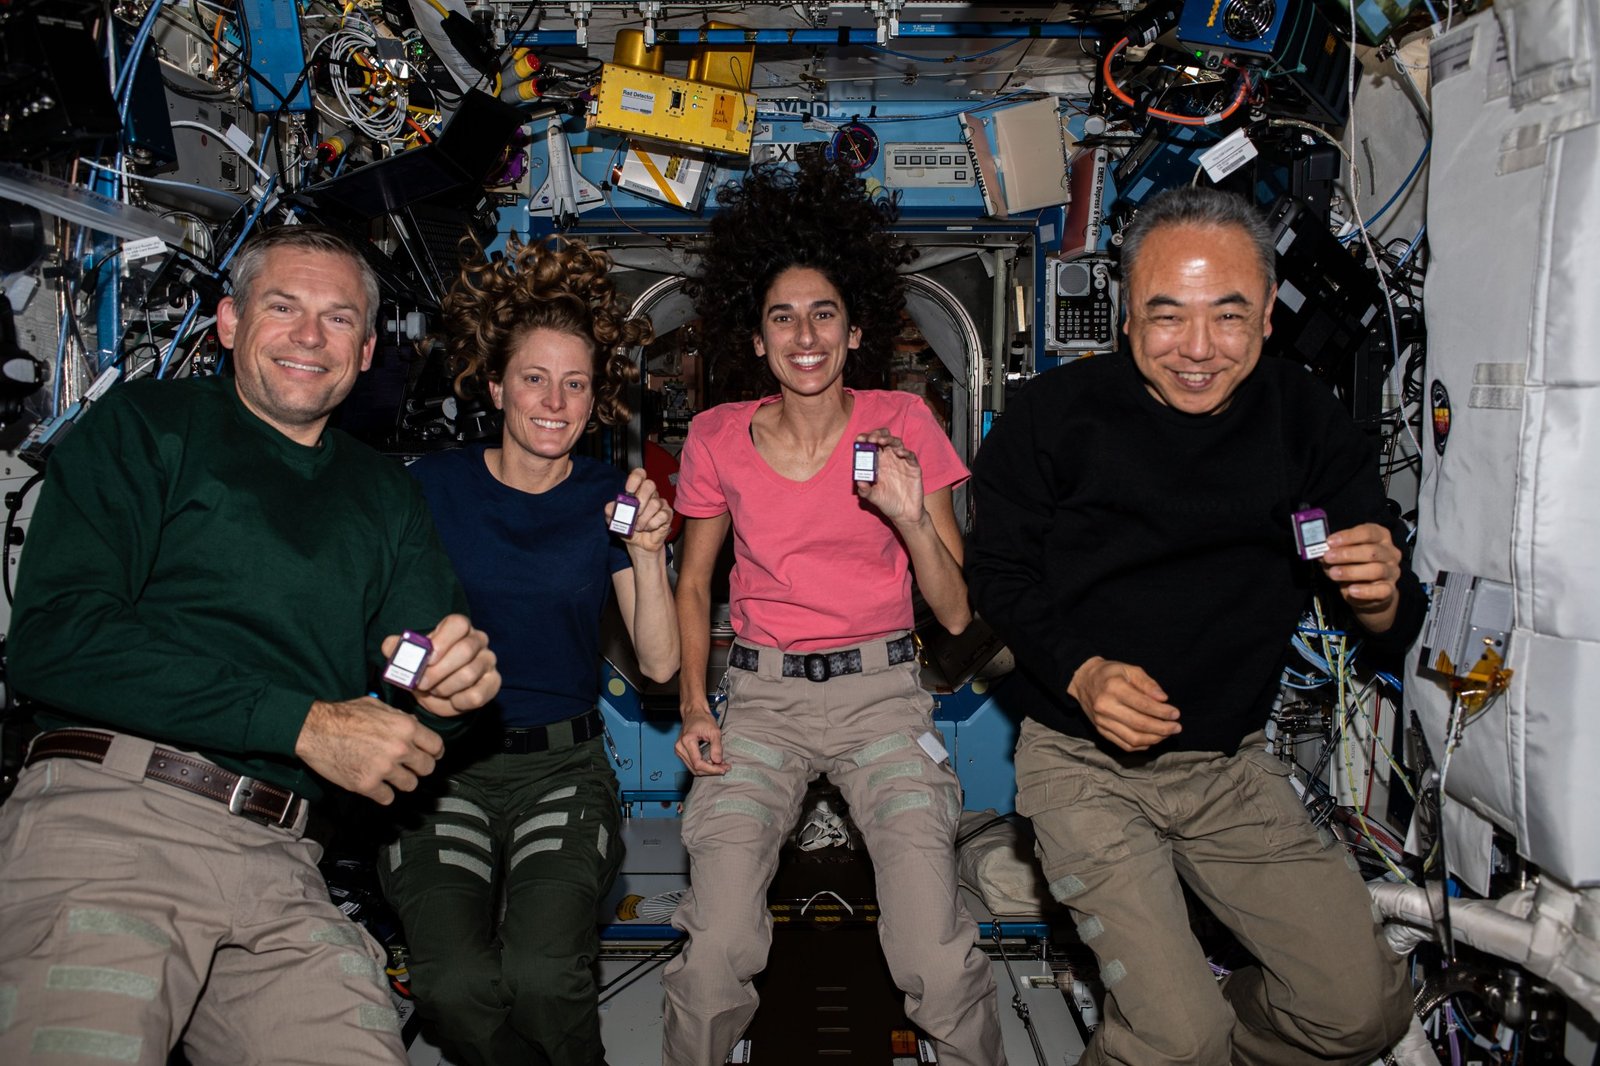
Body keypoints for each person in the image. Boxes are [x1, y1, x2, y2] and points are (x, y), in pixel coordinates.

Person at [0, 224, 501, 1065]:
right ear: (230, 322)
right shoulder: (148, 427)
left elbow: (409, 661)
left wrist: (446, 696)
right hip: (115, 820)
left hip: (284, 859)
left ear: (367, 351)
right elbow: (57, 639)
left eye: (339, 319)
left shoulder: (383, 494)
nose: (310, 337)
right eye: (283, 307)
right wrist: (299, 723)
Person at [967, 186, 1424, 1066]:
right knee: (1178, 1043)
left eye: (1230, 314)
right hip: (1082, 767)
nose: (1200, 348)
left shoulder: (1305, 420)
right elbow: (998, 579)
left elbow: (1386, 615)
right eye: (1168, 315)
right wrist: (1081, 672)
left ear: (1269, 314)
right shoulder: (1050, 418)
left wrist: (1377, 596)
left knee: (1361, 1014)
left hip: (1229, 767)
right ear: (1127, 314)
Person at [662, 159, 1006, 1066]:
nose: (804, 334)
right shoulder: (716, 437)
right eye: (783, 317)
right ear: (758, 338)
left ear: (855, 332)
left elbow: (955, 610)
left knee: (934, 951)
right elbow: (694, 583)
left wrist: (908, 513)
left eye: (824, 315)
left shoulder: (904, 423)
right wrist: (695, 706)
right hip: (761, 703)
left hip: (881, 699)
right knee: (715, 950)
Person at [378, 237, 677, 1066]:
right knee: (453, 985)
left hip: (562, 769)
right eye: (535, 378)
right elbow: (378, 637)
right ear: (496, 385)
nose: (555, 401)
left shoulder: (610, 499)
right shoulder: (427, 489)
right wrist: (412, 673)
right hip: (443, 768)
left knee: (544, 975)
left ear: (594, 398)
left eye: (575, 383)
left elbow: (659, 667)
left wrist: (648, 553)